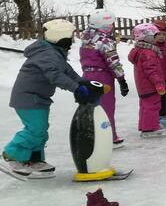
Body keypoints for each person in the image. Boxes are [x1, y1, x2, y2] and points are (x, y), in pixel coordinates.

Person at [2, 19, 97, 178]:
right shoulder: (48, 54)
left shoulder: (54, 52)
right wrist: (76, 88)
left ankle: (33, 160)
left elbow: (67, 72)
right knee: (36, 130)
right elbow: (55, 76)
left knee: (40, 130)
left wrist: (84, 83)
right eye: (71, 36)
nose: (72, 40)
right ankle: (11, 155)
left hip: (37, 98)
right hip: (29, 97)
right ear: (62, 37)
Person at [79, 8, 128, 146]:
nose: (112, 27)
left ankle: (92, 135)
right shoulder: (105, 41)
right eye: (110, 24)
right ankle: (108, 136)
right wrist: (121, 79)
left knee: (91, 106)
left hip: (87, 75)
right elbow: (113, 61)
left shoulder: (86, 37)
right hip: (102, 76)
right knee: (106, 106)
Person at [128, 23, 166, 138]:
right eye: (155, 36)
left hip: (142, 86)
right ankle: (150, 128)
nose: (157, 38)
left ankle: (144, 126)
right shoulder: (148, 52)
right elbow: (152, 71)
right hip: (150, 85)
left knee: (145, 106)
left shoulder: (139, 50)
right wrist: (159, 84)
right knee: (152, 106)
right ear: (147, 37)